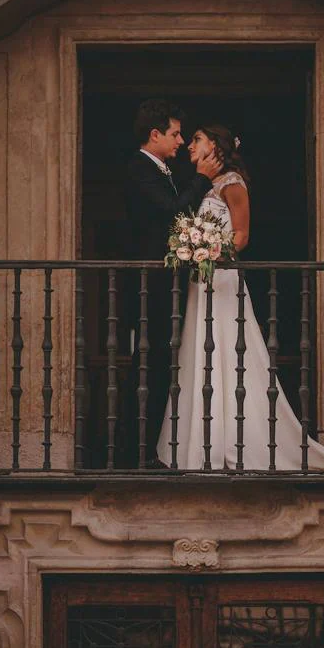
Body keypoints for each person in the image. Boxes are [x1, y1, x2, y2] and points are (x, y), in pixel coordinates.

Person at [156, 123, 324, 471]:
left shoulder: (232, 183)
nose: (190, 145)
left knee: (227, 349)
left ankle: (234, 440)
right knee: (200, 351)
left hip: (221, 279)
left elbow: (241, 235)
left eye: (197, 139)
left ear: (215, 147)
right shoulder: (206, 186)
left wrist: (210, 252)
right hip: (201, 281)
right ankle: (202, 442)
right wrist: (190, 249)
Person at [123, 99, 222, 465]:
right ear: (155, 135)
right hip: (151, 283)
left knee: (163, 360)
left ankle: (151, 447)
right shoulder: (138, 168)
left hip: (168, 282)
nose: (180, 141)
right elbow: (170, 211)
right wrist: (202, 180)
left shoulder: (162, 169)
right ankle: (134, 451)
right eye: (175, 134)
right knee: (149, 361)